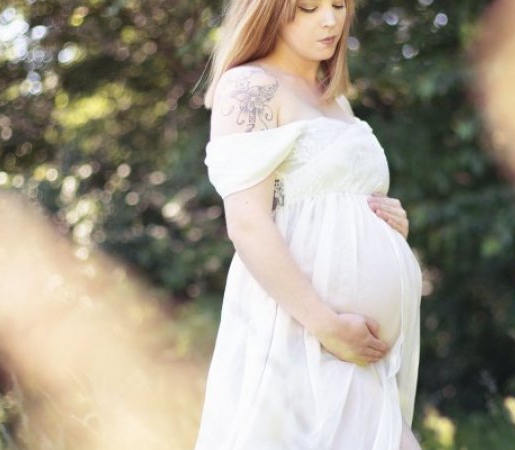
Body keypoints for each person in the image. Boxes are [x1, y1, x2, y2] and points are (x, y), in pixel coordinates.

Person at [195, 0, 422, 449]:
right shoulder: (250, 87)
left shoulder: (331, 96)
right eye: (308, 7)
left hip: (353, 350)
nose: (330, 19)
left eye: (338, 4)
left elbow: (336, 202)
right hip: (302, 333)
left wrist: (388, 225)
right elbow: (247, 223)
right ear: (270, 12)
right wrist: (327, 326)